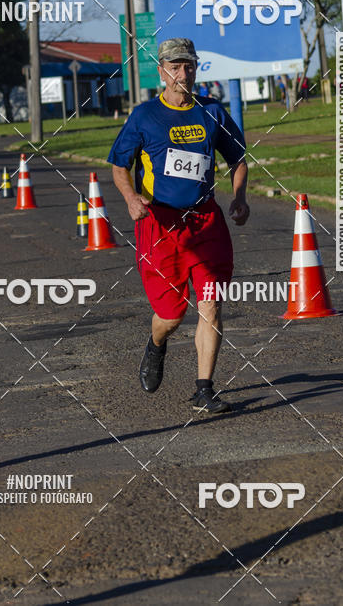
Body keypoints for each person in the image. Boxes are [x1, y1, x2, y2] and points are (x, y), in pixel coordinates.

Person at [108, 37, 250, 414]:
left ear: (196, 68)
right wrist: (130, 198)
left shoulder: (213, 112)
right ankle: (156, 345)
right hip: (160, 224)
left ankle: (205, 388)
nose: (182, 73)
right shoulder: (144, 116)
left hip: (205, 222)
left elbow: (238, 159)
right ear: (161, 72)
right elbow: (120, 165)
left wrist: (240, 196)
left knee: (211, 306)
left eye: (188, 66)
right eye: (174, 66)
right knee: (171, 316)